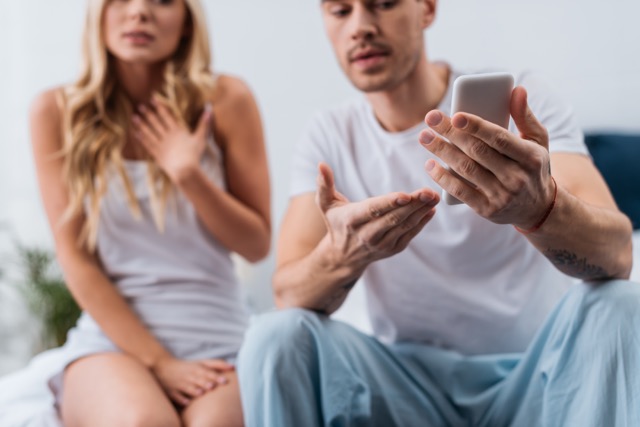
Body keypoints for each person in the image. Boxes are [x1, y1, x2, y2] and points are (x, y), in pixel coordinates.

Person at [237, 0, 639, 425]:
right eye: (340, 11)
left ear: (426, 10)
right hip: (407, 391)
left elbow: (619, 255)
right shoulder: (330, 135)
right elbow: (288, 295)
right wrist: (343, 254)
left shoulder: (520, 99)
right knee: (273, 337)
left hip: (536, 378)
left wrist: (543, 210)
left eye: (383, 4)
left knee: (620, 304)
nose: (360, 27)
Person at [29, 0, 270, 425]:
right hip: (111, 344)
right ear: (98, 14)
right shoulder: (55, 111)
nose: (139, 12)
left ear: (187, 22)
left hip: (220, 340)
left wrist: (188, 174)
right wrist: (159, 361)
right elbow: (76, 259)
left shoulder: (228, 99)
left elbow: (255, 245)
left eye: (162, 0)